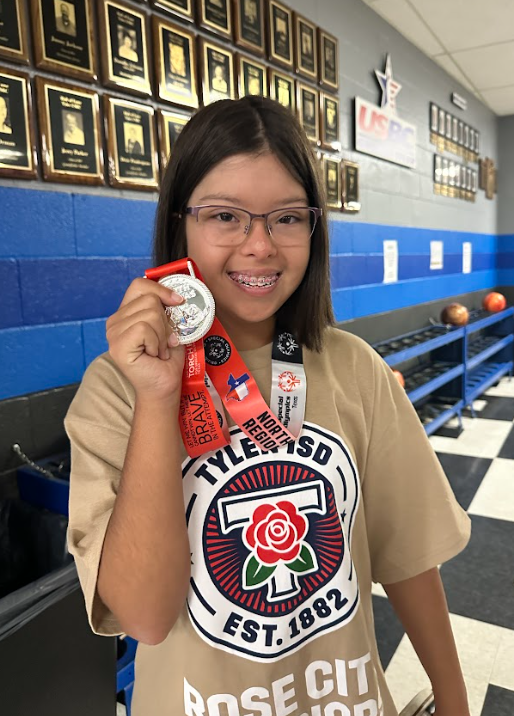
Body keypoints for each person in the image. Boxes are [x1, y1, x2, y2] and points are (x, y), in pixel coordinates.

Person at [65, 96, 472, 716]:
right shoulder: (114, 389)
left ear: (314, 226)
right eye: (225, 216)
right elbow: (144, 618)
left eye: (286, 218)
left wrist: (453, 699)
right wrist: (156, 397)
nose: (260, 246)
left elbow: (408, 555)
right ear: (180, 225)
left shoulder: (353, 367)